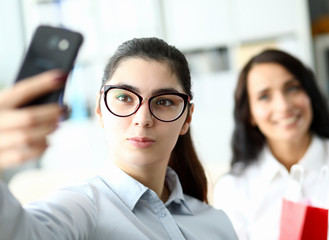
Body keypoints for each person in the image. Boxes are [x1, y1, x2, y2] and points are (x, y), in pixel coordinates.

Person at [0, 37, 237, 240]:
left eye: (164, 101)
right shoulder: (82, 207)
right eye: (124, 98)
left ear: (187, 118)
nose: (142, 119)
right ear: (100, 109)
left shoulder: (217, 223)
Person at [213, 49, 329, 240]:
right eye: (264, 96)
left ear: (310, 96)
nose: (283, 106)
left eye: (292, 88)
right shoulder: (233, 188)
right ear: (249, 114)